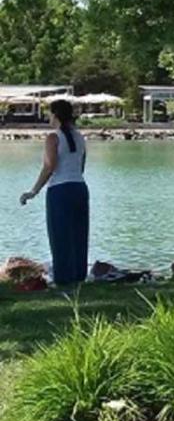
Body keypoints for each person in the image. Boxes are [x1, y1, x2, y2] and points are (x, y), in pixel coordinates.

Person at [18, 99, 89, 285]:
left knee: (60, 235)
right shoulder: (79, 137)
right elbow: (81, 167)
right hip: (80, 188)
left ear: (55, 115)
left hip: (60, 189)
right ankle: (79, 276)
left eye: (49, 113)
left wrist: (33, 191)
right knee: (79, 233)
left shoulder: (53, 137)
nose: (48, 117)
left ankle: (63, 278)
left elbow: (50, 166)